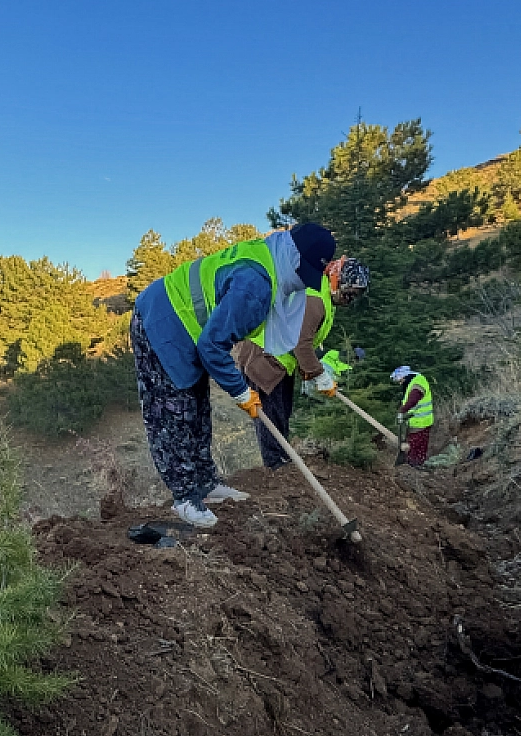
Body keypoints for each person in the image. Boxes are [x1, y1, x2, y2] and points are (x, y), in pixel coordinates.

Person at [129, 224, 338, 527]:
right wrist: (241, 392)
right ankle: (185, 498)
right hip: (162, 321)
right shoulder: (256, 286)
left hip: (190, 325)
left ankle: (206, 483)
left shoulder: (270, 260)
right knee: (174, 413)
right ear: (291, 254)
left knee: (198, 407)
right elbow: (213, 346)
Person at [233, 257, 369, 469]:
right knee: (271, 416)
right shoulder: (314, 299)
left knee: (283, 412)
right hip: (263, 357)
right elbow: (301, 345)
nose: (350, 299)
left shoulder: (325, 297)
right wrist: (319, 375)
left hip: (280, 359)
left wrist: (309, 372)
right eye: (349, 292)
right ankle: (275, 466)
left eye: (355, 295)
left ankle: (282, 461)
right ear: (336, 280)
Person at [390, 365, 434, 466]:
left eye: (400, 380)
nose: (400, 383)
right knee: (418, 446)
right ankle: (416, 464)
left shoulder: (418, 383)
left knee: (415, 447)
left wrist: (402, 411)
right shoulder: (412, 382)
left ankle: (414, 466)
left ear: (404, 376)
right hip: (417, 422)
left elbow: (413, 400)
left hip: (421, 422)